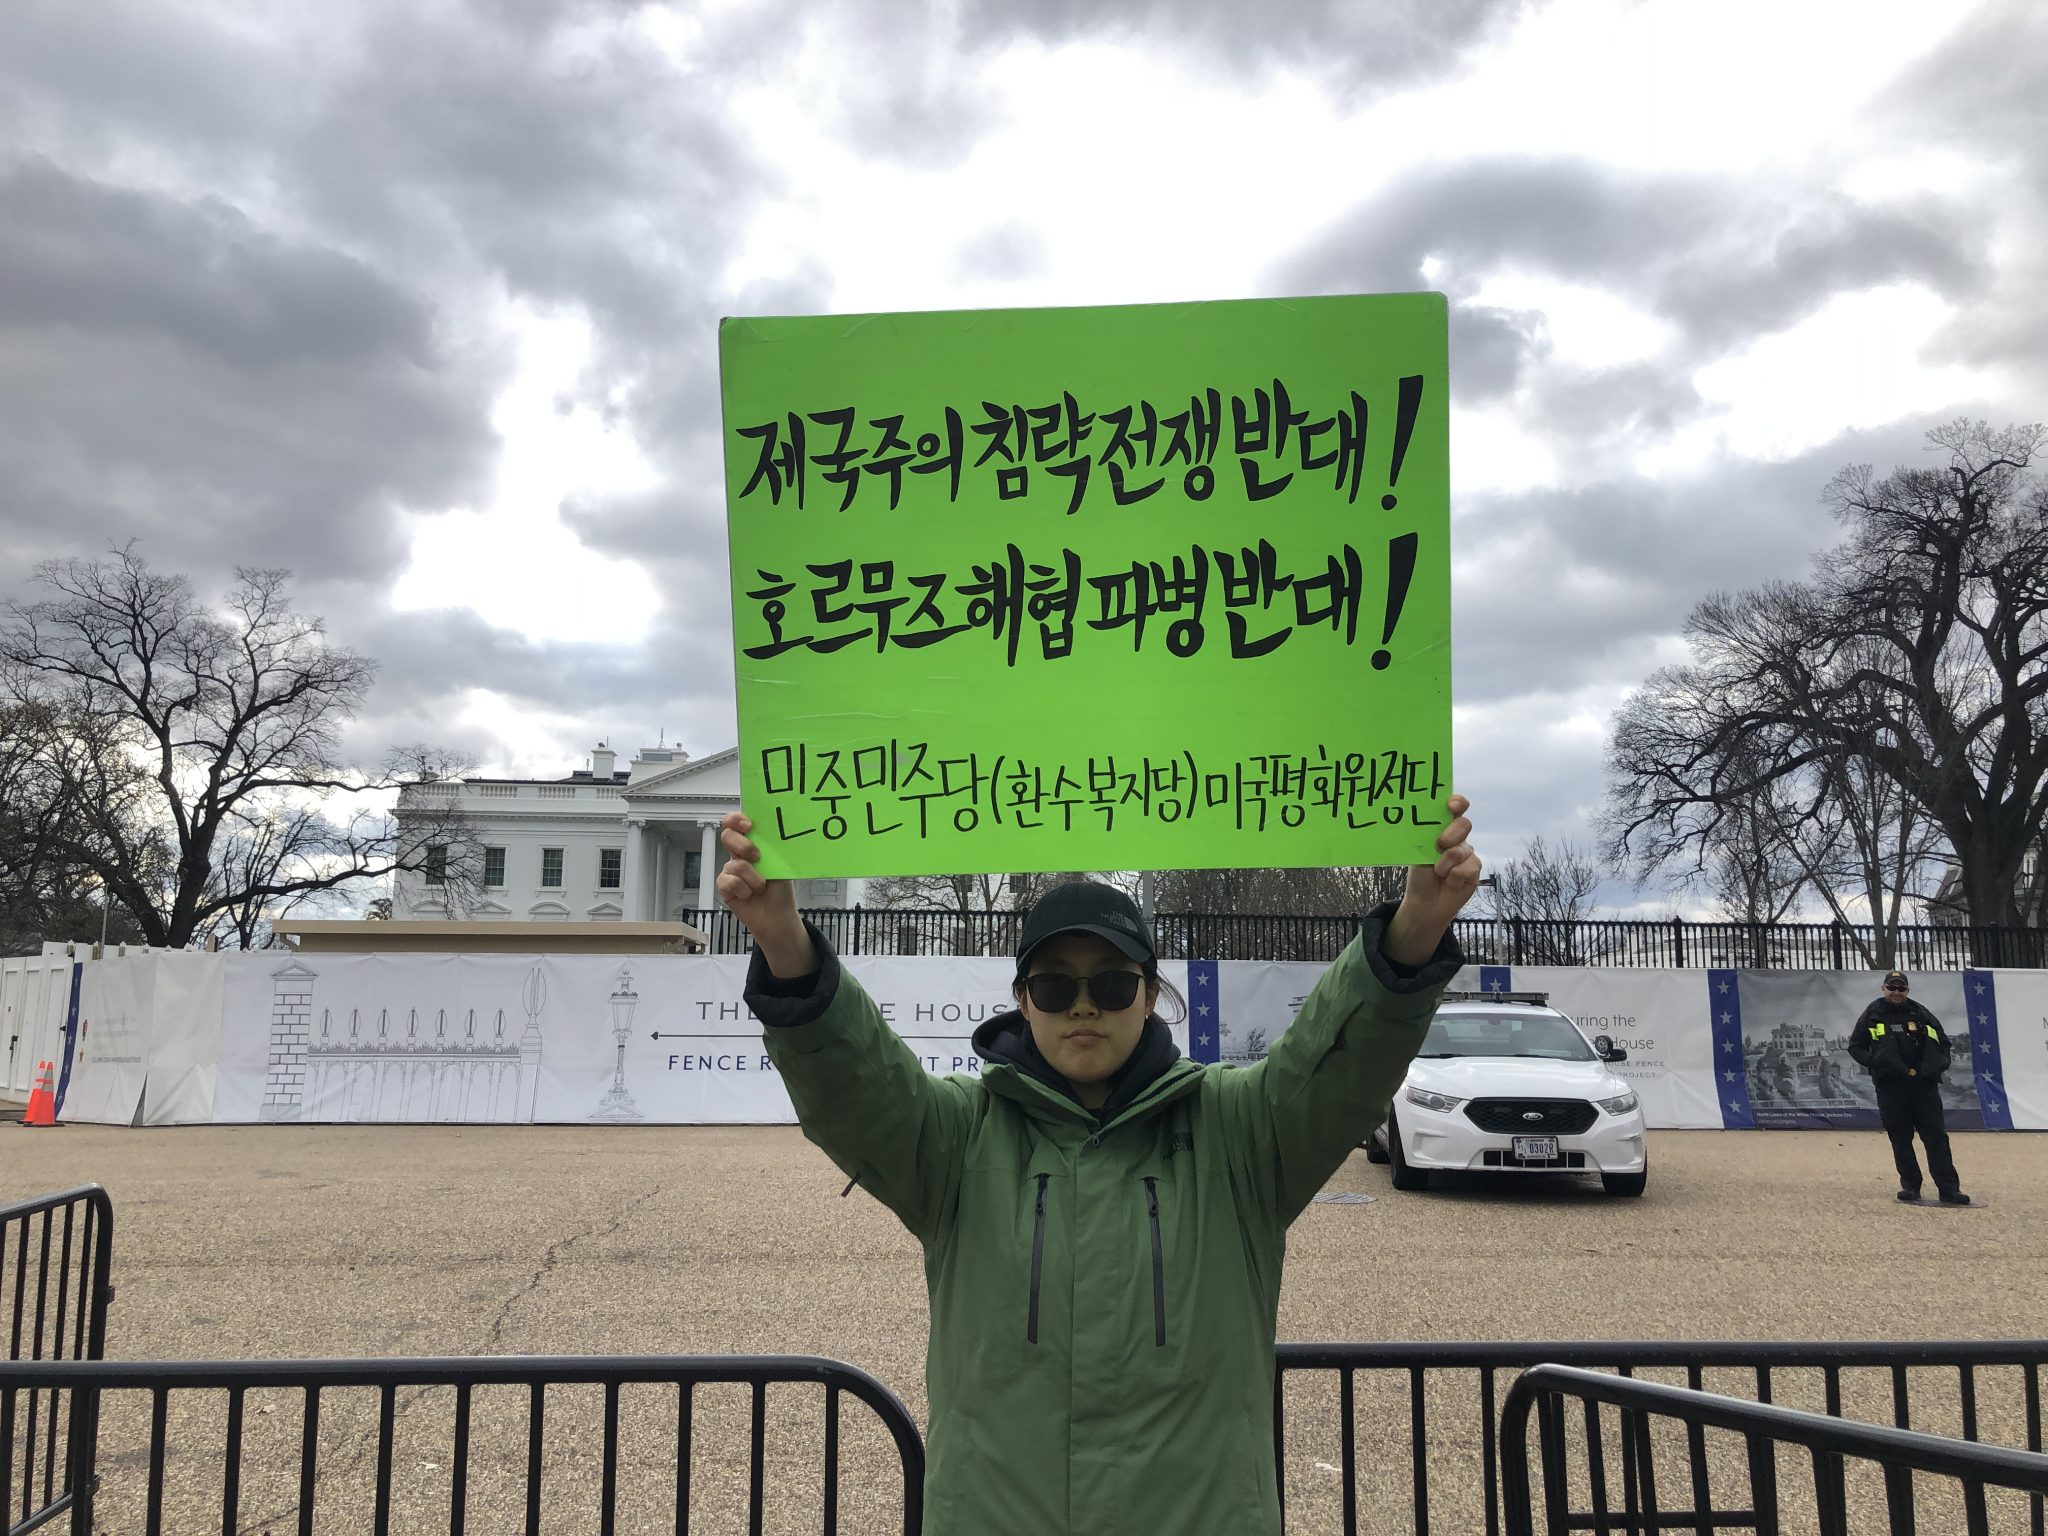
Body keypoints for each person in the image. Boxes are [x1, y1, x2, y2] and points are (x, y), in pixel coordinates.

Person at [717, 798, 1480, 1536]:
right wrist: (783, 938)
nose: (1084, 1006)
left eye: (1112, 983)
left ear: (1148, 996)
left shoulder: (1239, 1132)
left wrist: (1416, 923)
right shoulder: (956, 1140)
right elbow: (856, 1084)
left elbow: (1338, 1060)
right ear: (1024, 1001)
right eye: (1055, 985)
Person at [1847, 970, 1969, 1205]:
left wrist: (1939, 1064)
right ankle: (1911, 1187)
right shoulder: (1873, 1014)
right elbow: (1855, 1046)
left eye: (1901, 988)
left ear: (1907, 991)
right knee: (1901, 1138)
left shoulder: (1920, 1013)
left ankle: (1949, 1190)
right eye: (1891, 988)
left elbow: (1943, 1043)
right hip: (1891, 1085)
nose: (1896, 992)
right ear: (1883, 989)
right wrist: (1875, 1062)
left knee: (1936, 1138)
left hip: (1924, 1085)